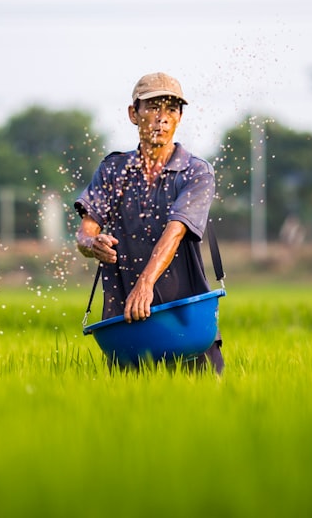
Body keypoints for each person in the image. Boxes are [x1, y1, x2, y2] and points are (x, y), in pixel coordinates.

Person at [74, 72, 224, 373]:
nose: (162, 118)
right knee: (131, 415)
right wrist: (93, 244)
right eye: (153, 108)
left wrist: (144, 284)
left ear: (180, 117)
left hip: (187, 321)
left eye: (171, 109)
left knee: (207, 412)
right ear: (134, 114)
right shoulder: (113, 171)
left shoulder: (195, 173)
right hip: (127, 325)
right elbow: (85, 232)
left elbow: (175, 231)